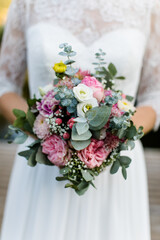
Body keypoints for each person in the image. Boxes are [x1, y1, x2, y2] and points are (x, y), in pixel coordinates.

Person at [0, 0, 160, 239]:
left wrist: (111, 136)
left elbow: (155, 96)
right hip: (44, 162)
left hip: (115, 171)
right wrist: (46, 131)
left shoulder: (149, 5)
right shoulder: (28, 3)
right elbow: (4, 84)